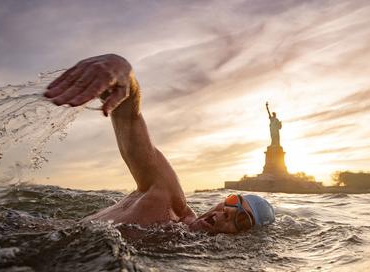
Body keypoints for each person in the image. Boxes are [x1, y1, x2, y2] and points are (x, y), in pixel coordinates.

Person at [44, 54, 275, 236]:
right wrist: (123, 70)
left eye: (242, 219)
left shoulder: (182, 250)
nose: (227, 212)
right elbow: (129, 119)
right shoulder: (167, 198)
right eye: (232, 202)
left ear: (244, 238)